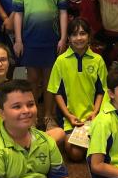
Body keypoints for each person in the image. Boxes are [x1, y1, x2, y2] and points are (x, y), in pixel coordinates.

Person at [12, 0, 68, 128]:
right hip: (30, 40)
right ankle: (33, 117)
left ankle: (49, 116)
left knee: (50, 81)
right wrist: (18, 40)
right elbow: (18, 14)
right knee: (33, 80)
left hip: (52, 40)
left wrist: (62, 38)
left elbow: (63, 12)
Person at [46, 18, 107, 161]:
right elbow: (57, 93)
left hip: (92, 117)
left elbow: (101, 90)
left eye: (82, 33)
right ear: (68, 38)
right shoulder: (61, 61)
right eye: (74, 34)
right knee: (74, 154)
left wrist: (95, 112)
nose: (79, 38)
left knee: (82, 151)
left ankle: (95, 144)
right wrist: (68, 115)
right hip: (69, 118)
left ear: (89, 36)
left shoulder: (98, 60)